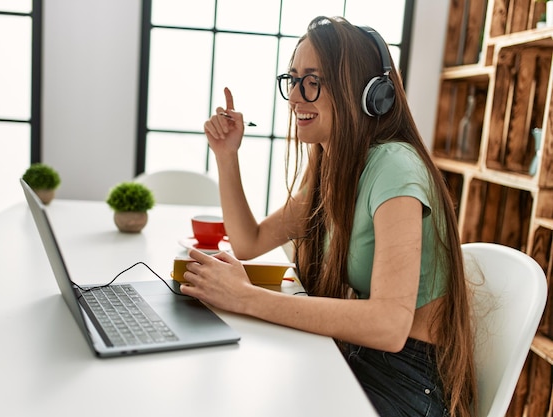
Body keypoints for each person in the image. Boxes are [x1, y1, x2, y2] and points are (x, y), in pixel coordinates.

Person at [180, 16, 477, 417]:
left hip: (409, 382)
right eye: (293, 79)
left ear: (367, 92)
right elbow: (249, 241)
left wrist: (246, 298)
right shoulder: (330, 169)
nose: (296, 97)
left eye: (313, 81)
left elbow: (390, 326)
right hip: (362, 359)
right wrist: (226, 155)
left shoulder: (395, 168)